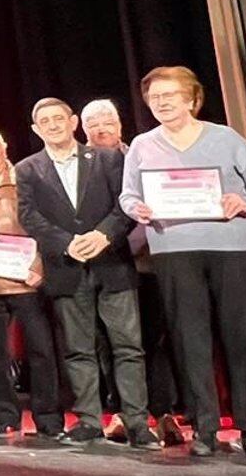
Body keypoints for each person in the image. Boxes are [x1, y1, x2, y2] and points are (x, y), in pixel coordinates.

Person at [120, 66, 246, 460]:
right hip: (174, 249)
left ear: (192, 99)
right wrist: (136, 207)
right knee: (190, 340)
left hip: (232, 246)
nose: (162, 103)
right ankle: (205, 428)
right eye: (155, 98)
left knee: (242, 336)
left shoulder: (225, 138)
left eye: (170, 95)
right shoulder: (142, 145)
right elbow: (127, 195)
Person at [16, 98, 156, 448]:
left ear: (73, 121)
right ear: (36, 129)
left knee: (128, 346)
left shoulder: (109, 159)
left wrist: (103, 235)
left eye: (58, 118)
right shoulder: (27, 169)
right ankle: (90, 420)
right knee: (78, 349)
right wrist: (67, 243)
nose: (52, 125)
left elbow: (124, 205)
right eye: (43, 121)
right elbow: (29, 216)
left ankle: (137, 421)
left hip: (112, 265)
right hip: (66, 267)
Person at [84, 96, 184, 442]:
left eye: (106, 123)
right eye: (92, 125)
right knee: (111, 344)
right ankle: (125, 415)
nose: (100, 130)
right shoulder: (79, 167)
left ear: (120, 126)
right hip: (106, 267)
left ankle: (164, 413)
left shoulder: (143, 156)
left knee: (155, 341)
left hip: (149, 264)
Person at [0, 129, 62, 439]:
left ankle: (49, 419)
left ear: (4, 149)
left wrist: (39, 266)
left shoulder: (26, 180)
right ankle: (4, 417)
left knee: (42, 351)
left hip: (27, 280)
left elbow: (46, 226)